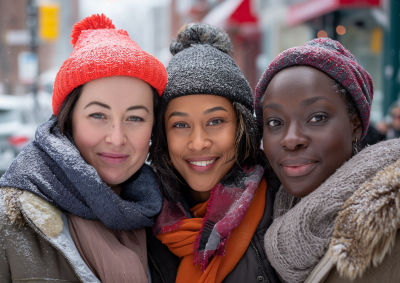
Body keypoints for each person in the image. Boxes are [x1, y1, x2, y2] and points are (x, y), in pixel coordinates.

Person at [0, 14, 167, 283]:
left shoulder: (167, 222)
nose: (116, 138)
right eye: (98, 115)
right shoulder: (11, 220)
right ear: (68, 121)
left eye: (135, 118)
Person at [254, 38, 400, 283]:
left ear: (355, 126)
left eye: (317, 117)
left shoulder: (391, 228)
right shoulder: (261, 213)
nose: (291, 140)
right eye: (275, 122)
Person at [148, 23, 281, 283]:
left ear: (242, 125)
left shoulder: (282, 207)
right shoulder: (139, 219)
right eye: (181, 125)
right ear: (162, 135)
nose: (198, 143)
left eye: (216, 121)